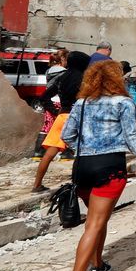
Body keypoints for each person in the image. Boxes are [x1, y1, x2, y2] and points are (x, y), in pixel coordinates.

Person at [57, 61, 136, 271]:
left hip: (82, 167)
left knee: (97, 219)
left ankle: (98, 263)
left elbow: (66, 136)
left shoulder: (81, 104)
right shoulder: (123, 103)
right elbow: (132, 138)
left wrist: (86, 150)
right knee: (94, 223)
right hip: (109, 167)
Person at [33, 51, 90, 192]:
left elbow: (44, 97)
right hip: (79, 118)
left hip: (62, 117)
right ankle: (81, 184)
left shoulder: (62, 78)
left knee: (49, 154)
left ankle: (37, 185)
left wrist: (54, 111)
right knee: (83, 153)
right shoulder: (85, 80)